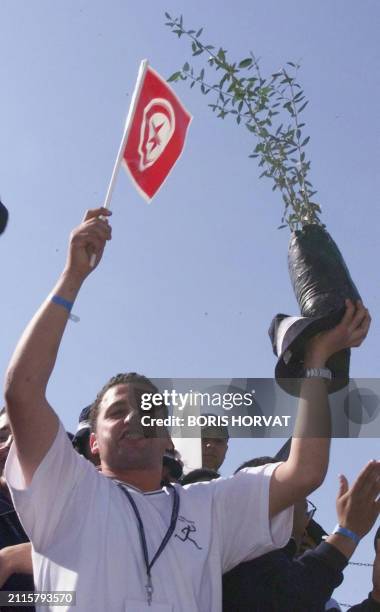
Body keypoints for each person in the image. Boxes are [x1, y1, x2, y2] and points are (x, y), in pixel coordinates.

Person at [4, 208, 371, 611]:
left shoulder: (207, 507)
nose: (134, 417)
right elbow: (23, 390)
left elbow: (303, 472)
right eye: (116, 412)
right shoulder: (68, 492)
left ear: (166, 437)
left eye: (149, 411)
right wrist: (72, 278)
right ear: (92, 442)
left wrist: (317, 360)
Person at [223, 459, 380, 612]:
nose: (306, 527)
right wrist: (347, 532)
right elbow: (288, 599)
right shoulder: (237, 568)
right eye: (304, 507)